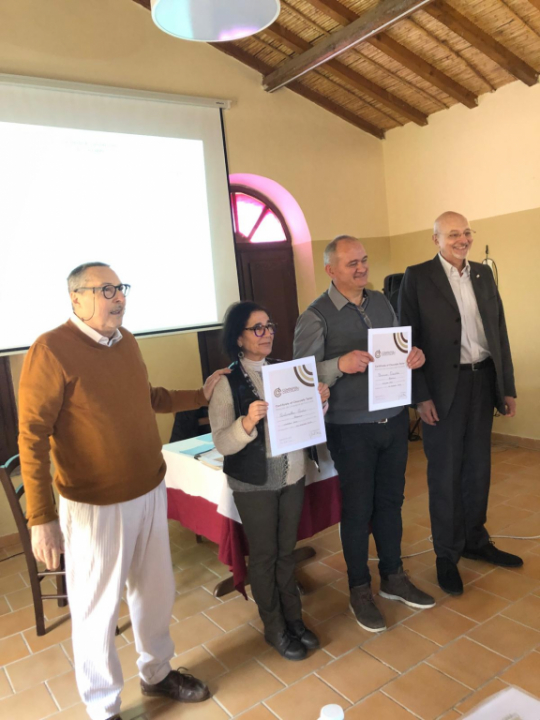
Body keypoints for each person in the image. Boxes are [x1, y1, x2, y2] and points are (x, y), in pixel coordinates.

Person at [18, 261, 230, 720]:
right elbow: (31, 436)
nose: (119, 298)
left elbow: (149, 398)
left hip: (149, 489)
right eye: (106, 290)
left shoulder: (126, 341)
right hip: (95, 505)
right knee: (97, 611)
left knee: (155, 593)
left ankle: (157, 673)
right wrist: (41, 517)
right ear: (76, 298)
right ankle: (103, 708)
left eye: (120, 288)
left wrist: (201, 395)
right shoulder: (50, 350)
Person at [293, 236, 435, 634]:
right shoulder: (315, 316)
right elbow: (300, 374)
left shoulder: (382, 302)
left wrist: (414, 355)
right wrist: (338, 364)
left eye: (364, 260)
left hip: (393, 419)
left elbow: (399, 347)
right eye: (351, 263)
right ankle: (359, 589)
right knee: (357, 510)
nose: (361, 268)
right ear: (330, 270)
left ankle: (393, 577)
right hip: (350, 428)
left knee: (390, 502)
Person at [398, 212, 522, 596]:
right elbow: (407, 341)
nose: (462, 239)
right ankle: (446, 554)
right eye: (453, 234)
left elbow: (499, 331)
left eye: (466, 232)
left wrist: (506, 386)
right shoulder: (418, 277)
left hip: (482, 380)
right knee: (445, 473)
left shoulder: (482, 274)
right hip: (441, 390)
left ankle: (475, 540)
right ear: (435, 238)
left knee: (478, 467)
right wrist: (420, 396)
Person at [209, 301, 329, 661]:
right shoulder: (226, 383)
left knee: (286, 554)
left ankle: (295, 620)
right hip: (254, 485)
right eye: (257, 328)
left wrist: (320, 402)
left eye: (269, 326)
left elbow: (306, 421)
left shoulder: (287, 371)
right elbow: (222, 443)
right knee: (264, 558)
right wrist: (247, 423)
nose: (267, 333)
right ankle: (274, 627)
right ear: (239, 338)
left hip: (292, 476)